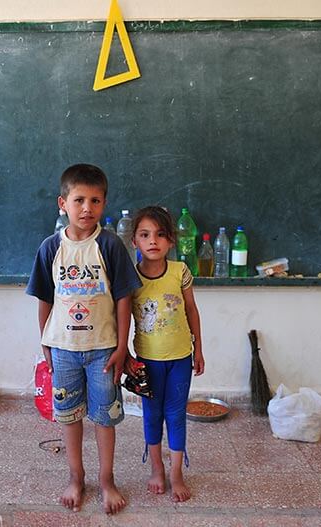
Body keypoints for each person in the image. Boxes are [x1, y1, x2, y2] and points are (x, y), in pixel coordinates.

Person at [26, 163, 141, 514]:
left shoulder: (110, 245)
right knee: (69, 416)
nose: (86, 208)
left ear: (104, 204)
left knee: (105, 418)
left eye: (95, 200)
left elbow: (124, 297)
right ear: (63, 203)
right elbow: (45, 297)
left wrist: (122, 346)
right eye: (79, 200)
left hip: (103, 350)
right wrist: (45, 342)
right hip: (63, 350)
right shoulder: (50, 248)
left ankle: (107, 481)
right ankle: (76, 477)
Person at [128, 205, 204, 502]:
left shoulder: (180, 271)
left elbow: (191, 309)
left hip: (181, 358)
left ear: (171, 240)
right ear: (134, 241)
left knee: (175, 414)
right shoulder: (131, 278)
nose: (153, 241)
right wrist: (125, 358)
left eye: (160, 235)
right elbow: (121, 319)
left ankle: (176, 473)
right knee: (152, 414)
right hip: (146, 361)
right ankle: (157, 468)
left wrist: (199, 348)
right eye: (145, 235)